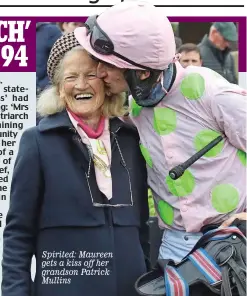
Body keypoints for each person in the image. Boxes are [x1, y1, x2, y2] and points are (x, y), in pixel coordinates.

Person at [74, 1, 247, 293]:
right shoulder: (133, 103)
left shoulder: (213, 93)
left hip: (231, 245)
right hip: (173, 248)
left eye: (107, 64)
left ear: (140, 73)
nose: (99, 72)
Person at [1, 32, 149, 296]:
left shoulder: (131, 138)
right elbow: (18, 233)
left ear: (106, 83)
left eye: (91, 74)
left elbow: (141, 225)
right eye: (70, 77)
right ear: (59, 89)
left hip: (132, 287)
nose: (81, 84)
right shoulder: (37, 142)